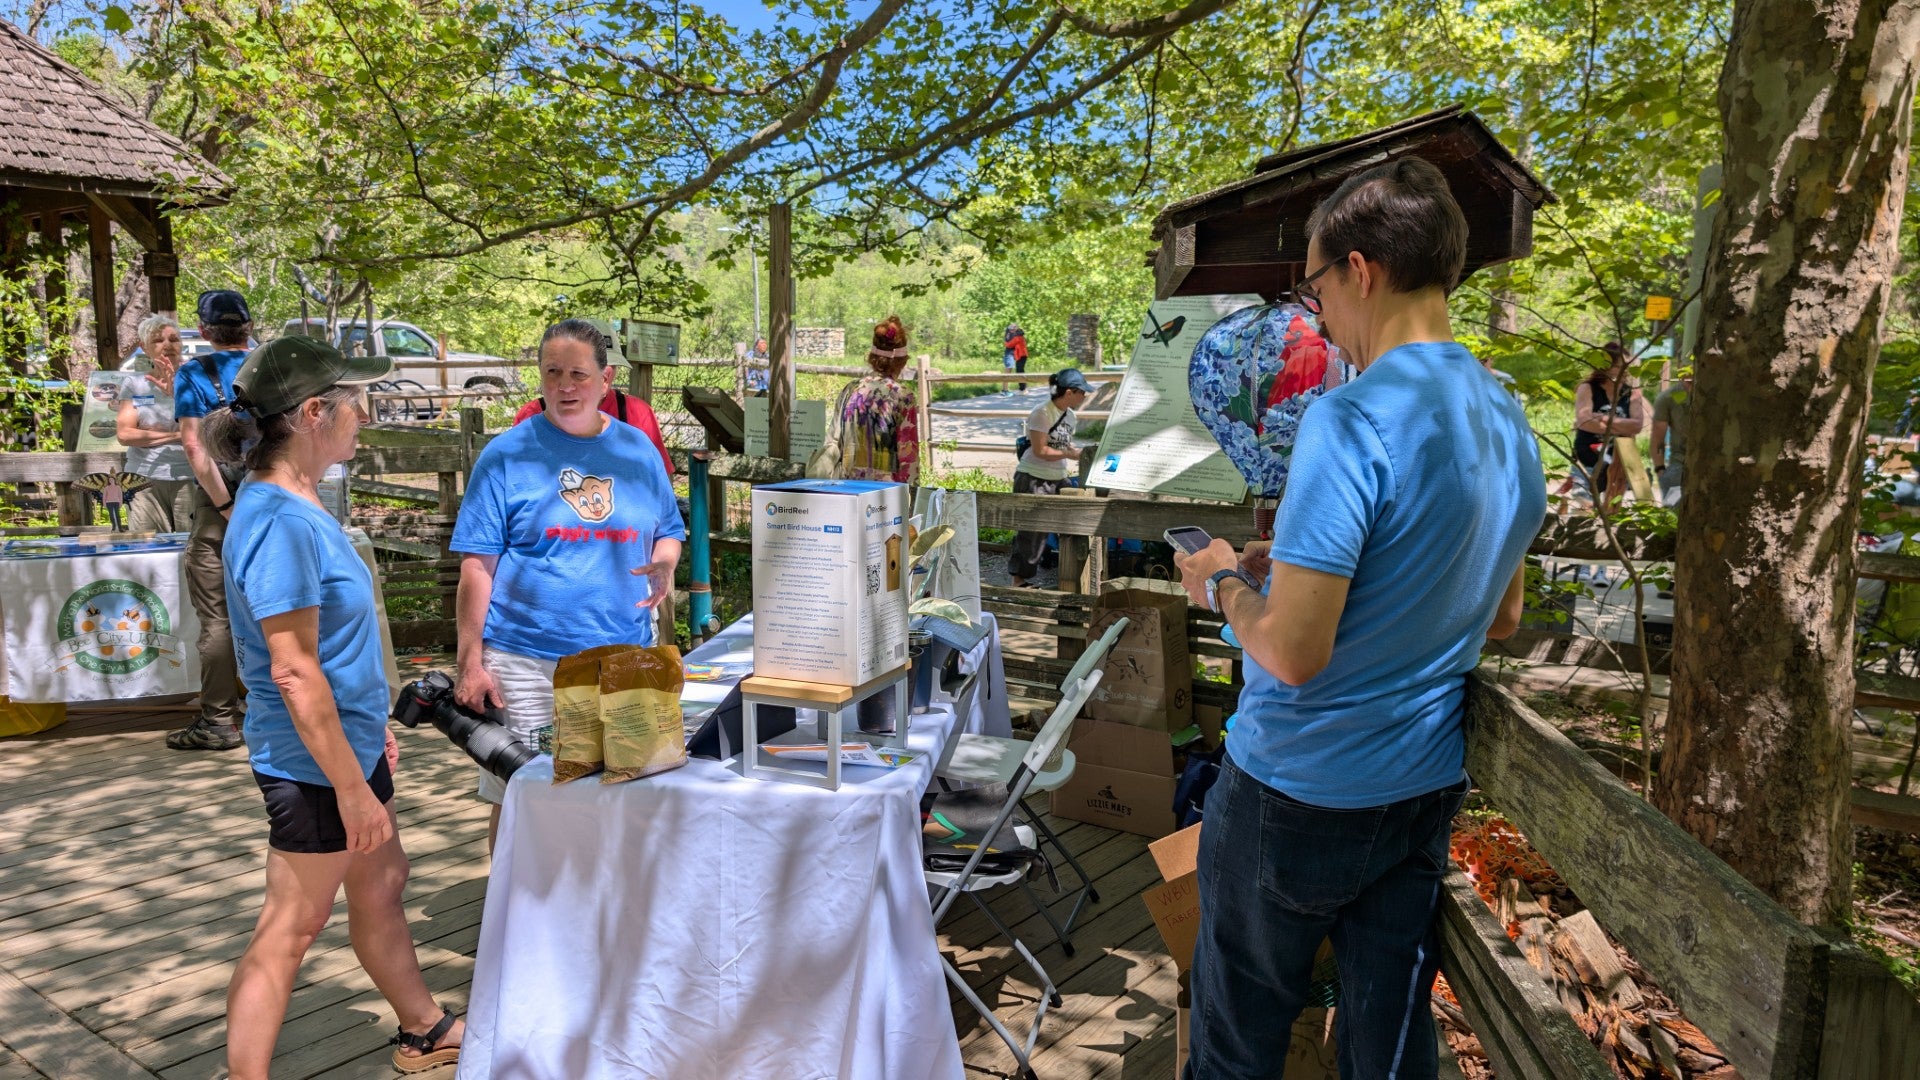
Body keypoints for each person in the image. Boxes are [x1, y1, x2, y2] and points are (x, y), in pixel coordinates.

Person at [1172, 157, 1545, 1080]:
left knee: (1236, 1042)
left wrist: (1222, 582)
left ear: (1360, 271)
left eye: (1315, 287)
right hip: (1419, 786)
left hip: (1297, 787)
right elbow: (1501, 614)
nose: (1317, 312)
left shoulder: (1349, 418)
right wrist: (1301, 572)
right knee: (1388, 1046)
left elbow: (1295, 653)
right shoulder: (1506, 417)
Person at [207, 336, 462, 1079]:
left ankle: (424, 1030)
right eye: (358, 401)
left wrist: (370, 728)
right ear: (315, 412)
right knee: (292, 926)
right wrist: (350, 787)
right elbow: (292, 670)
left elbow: (337, 650)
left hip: (345, 748)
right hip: (313, 765)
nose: (367, 414)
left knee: (382, 883)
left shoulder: (300, 501)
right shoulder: (279, 522)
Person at [451, 319, 685, 846]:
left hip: (622, 655)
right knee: (522, 798)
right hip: (528, 663)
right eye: (552, 372)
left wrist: (665, 561)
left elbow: (668, 529)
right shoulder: (507, 455)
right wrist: (470, 663)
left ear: (606, 379)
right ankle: (514, 898)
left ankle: (601, 895)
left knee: (624, 794)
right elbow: (476, 567)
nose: (564, 386)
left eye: (578, 374)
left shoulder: (637, 450)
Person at [167, 289, 253, 752]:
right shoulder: (273, 366)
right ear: (249, 327)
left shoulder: (193, 373)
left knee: (218, 619)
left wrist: (224, 507)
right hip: (279, 503)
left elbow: (194, 447)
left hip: (221, 509)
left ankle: (218, 721)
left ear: (203, 331)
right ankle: (286, 708)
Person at [509, 350, 674, 477]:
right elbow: (514, 477)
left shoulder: (637, 412)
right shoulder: (533, 414)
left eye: (611, 366)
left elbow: (661, 478)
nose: (605, 374)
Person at [1008, 368, 1092, 588]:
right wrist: (1069, 454)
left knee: (1072, 524)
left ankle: (1071, 576)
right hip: (1034, 477)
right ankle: (1019, 580)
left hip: (1059, 476)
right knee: (1031, 531)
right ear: (1069, 392)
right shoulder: (1042, 413)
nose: (1084, 397)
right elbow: (1040, 450)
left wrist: (1077, 452)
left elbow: (1063, 445)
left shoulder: (1070, 416)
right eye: (1082, 392)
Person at [115, 314, 195, 533]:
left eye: (174, 339)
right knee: (148, 545)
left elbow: (206, 429)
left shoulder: (196, 380)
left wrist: (148, 434)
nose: (167, 345)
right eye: (158, 340)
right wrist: (178, 435)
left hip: (191, 475)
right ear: (144, 347)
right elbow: (125, 435)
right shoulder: (135, 384)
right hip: (144, 479)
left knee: (193, 544)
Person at [837, 315, 922, 483]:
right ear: (902, 362)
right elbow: (908, 458)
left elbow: (837, 441)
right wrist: (911, 493)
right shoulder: (902, 396)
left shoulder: (851, 389)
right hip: (885, 493)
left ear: (871, 357)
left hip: (846, 487)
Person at [1572, 342, 1646, 511]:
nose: (1625, 370)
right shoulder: (1587, 388)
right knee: (1583, 507)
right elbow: (1584, 421)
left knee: (1612, 510)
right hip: (1588, 458)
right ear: (1605, 366)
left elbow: (1637, 426)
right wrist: (1622, 426)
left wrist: (1601, 418)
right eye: (1619, 366)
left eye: (1627, 365)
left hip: (1619, 461)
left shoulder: (1632, 393)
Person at [1651, 371, 1692, 506]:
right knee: (1672, 512)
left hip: (1714, 465)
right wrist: (1660, 469)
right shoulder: (1667, 398)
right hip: (1680, 466)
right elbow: (1657, 438)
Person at [1005, 322, 1030, 390]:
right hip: (1022, 355)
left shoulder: (1017, 337)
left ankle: (1023, 388)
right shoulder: (1020, 335)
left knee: (1019, 371)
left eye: (1012, 330)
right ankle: (1023, 387)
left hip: (1021, 355)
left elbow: (1008, 345)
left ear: (1015, 330)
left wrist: (1006, 339)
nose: (1011, 331)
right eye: (1010, 330)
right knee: (1020, 370)